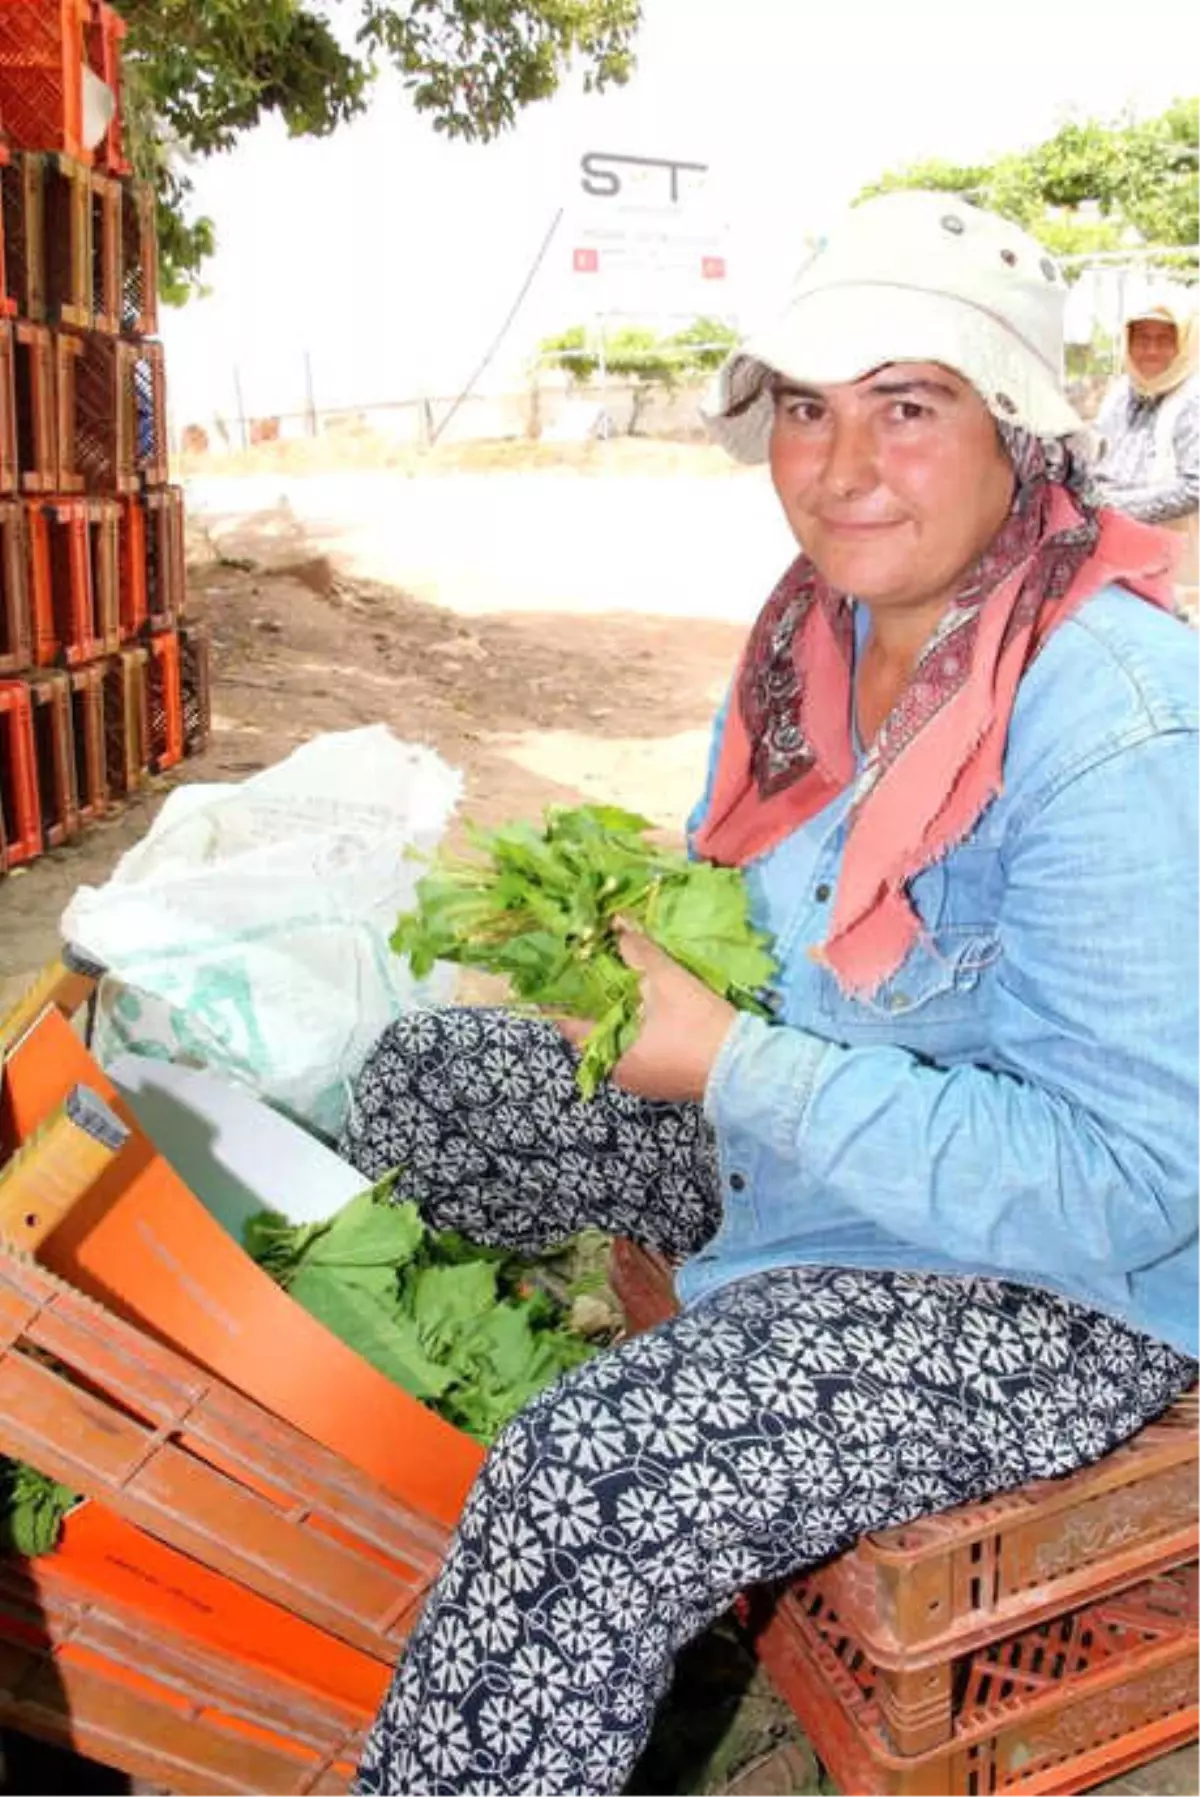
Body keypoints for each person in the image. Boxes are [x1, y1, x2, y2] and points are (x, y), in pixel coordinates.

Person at [345, 191, 1200, 1797]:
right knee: (427, 1080)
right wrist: (630, 983)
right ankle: (710, 1347)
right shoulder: (818, 635)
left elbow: (1136, 1184)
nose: (843, 463)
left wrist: (734, 1065)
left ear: (1016, 428)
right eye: (807, 407)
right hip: (808, 1148)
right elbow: (745, 916)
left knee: (586, 1479)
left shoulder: (1121, 725)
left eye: (908, 403)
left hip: (1050, 1284)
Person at [1093, 291, 1200, 599]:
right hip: (1122, 553)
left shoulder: (1192, 398)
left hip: (1179, 564)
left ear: (1184, 345)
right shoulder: (1121, 393)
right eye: (1142, 339)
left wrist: (1115, 507)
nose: (1151, 351)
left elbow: (1194, 486)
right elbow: (1099, 458)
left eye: (1165, 340)